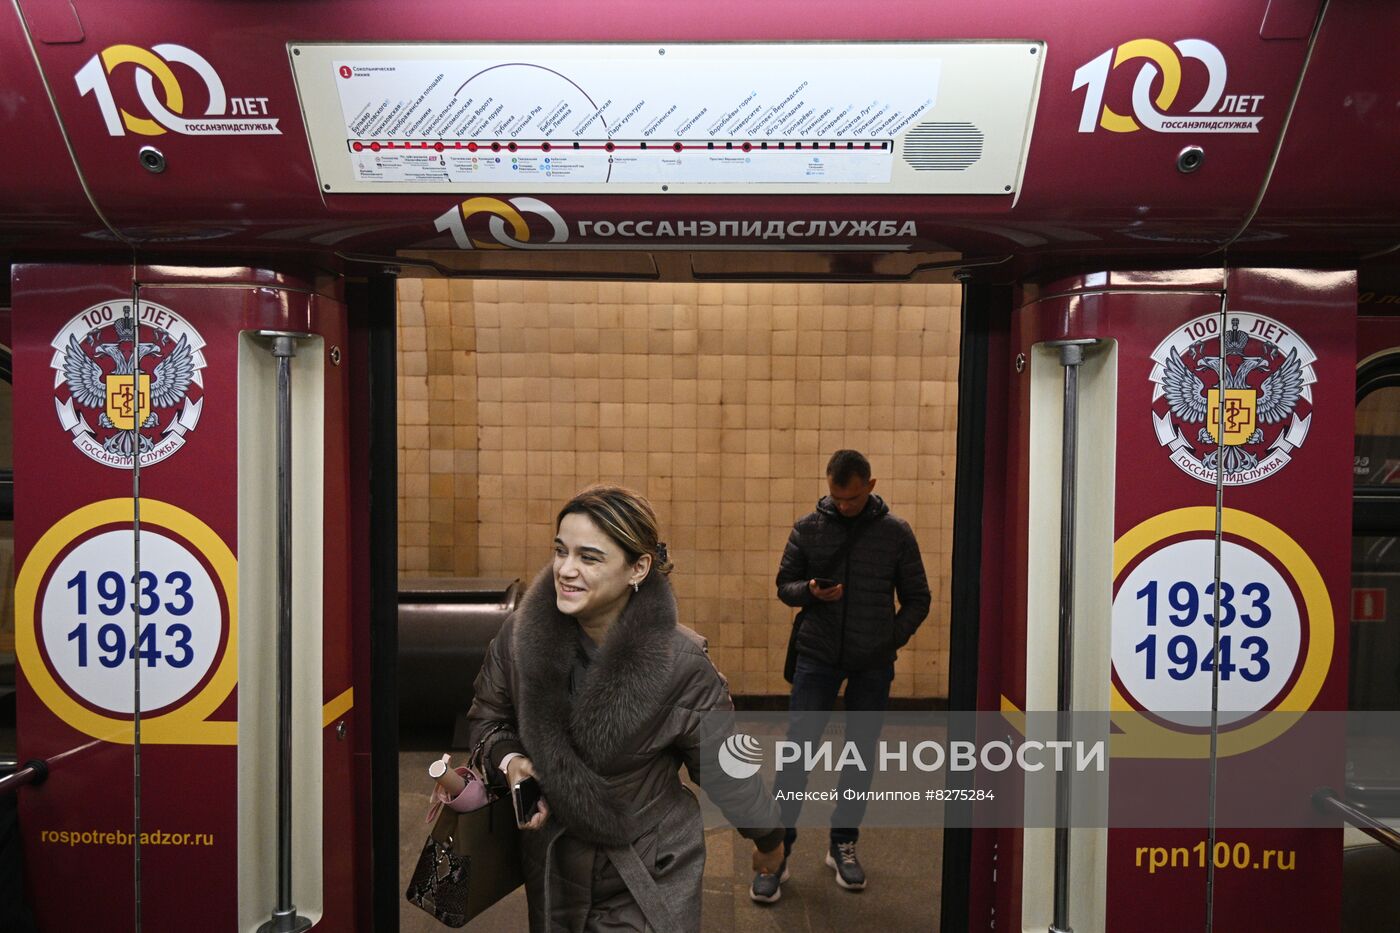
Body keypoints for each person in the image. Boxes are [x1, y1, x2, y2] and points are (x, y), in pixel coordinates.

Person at [466, 484, 785, 931]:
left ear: (638, 567)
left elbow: (725, 770)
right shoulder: (521, 637)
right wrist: (513, 760)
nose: (566, 570)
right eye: (561, 551)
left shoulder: (681, 664)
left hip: (646, 869)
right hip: (552, 869)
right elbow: (488, 719)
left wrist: (768, 837)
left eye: (589, 557)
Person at [753, 449, 931, 902]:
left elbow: (918, 598)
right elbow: (783, 586)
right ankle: (778, 853)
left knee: (860, 754)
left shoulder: (895, 534)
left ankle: (843, 843)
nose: (843, 505)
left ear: (870, 486)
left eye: (851, 498)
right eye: (836, 496)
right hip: (818, 655)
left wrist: (890, 638)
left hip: (873, 660)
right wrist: (809, 591)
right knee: (797, 756)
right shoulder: (809, 527)